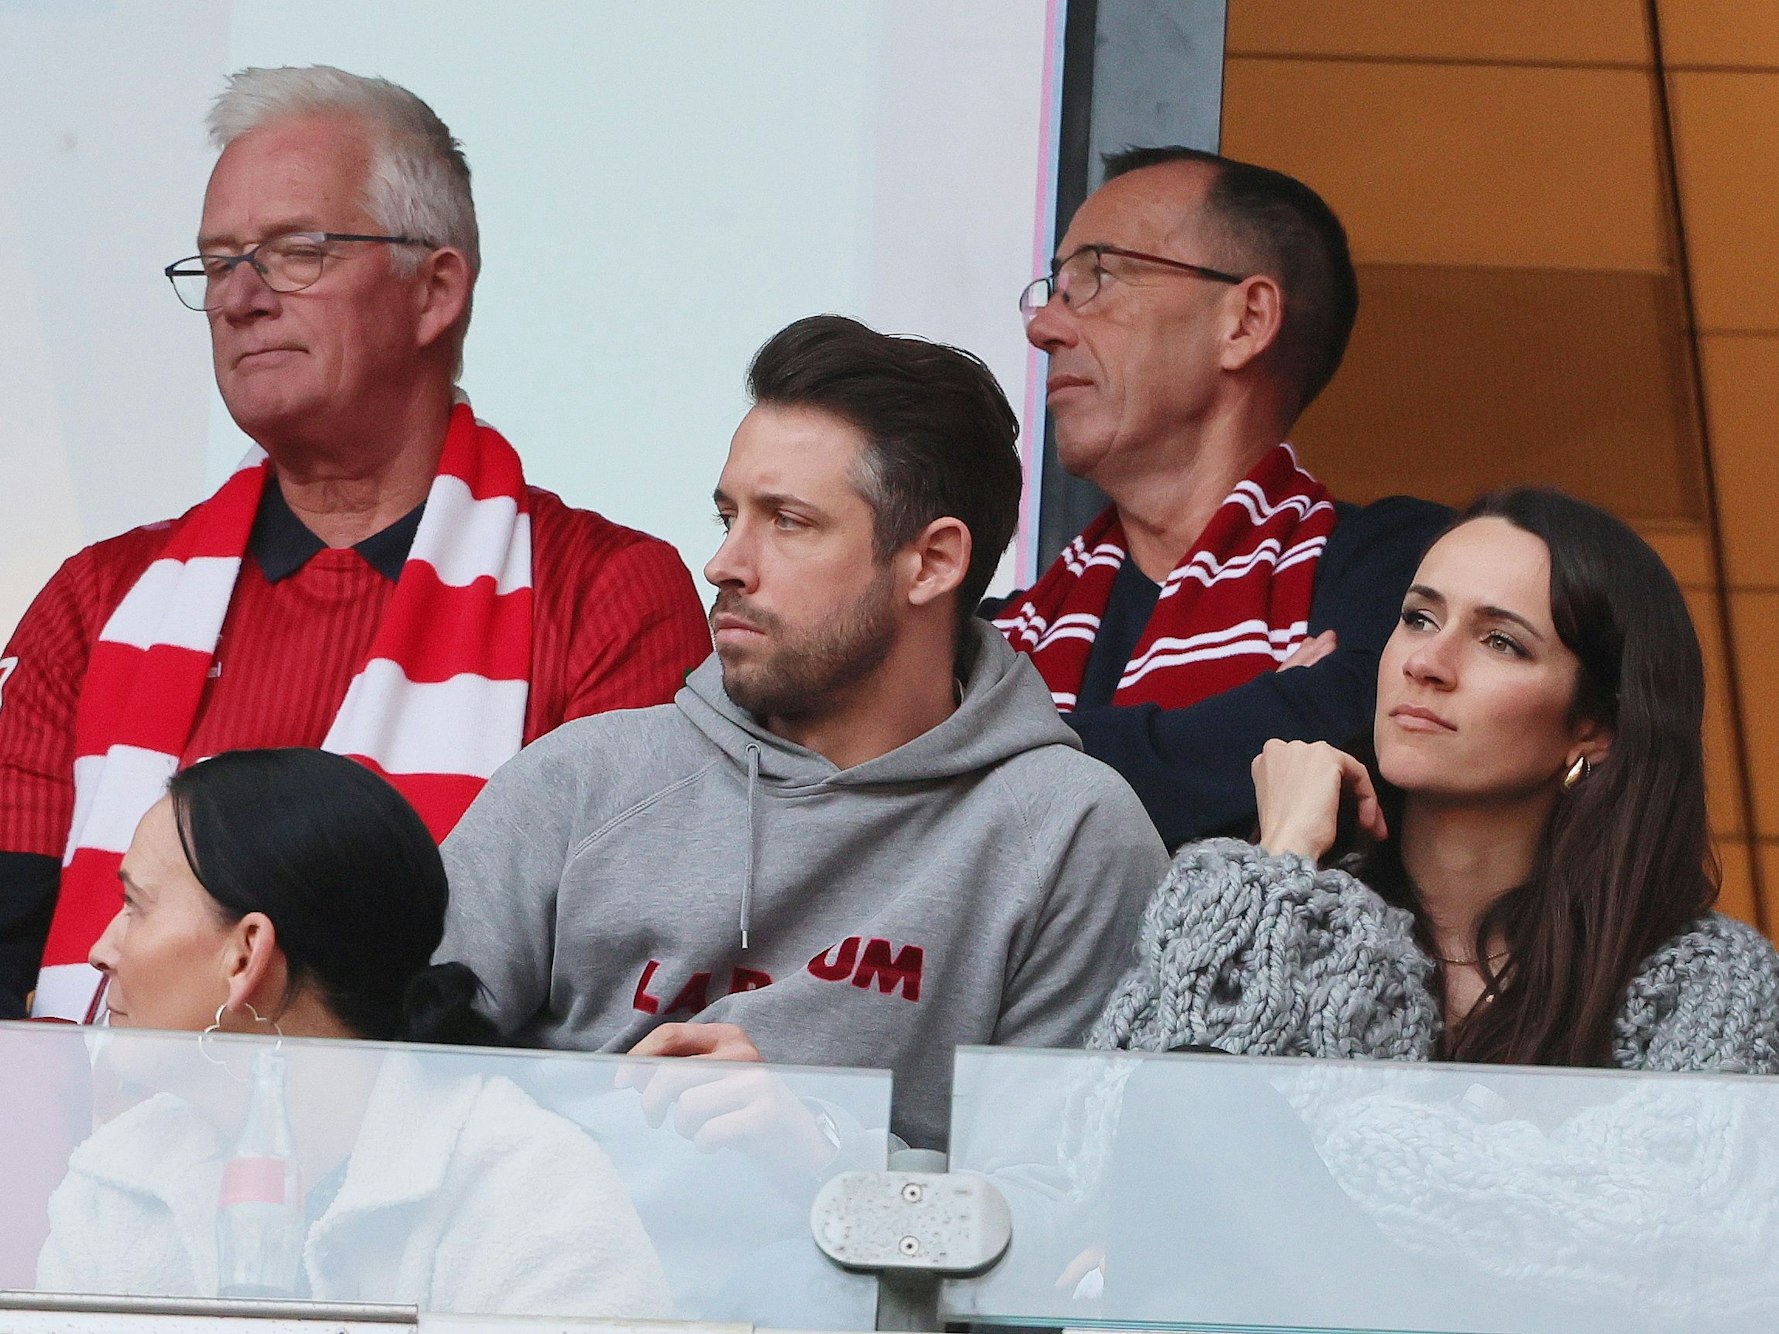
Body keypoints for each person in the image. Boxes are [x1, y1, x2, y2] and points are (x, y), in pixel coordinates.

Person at [0, 66, 709, 1021]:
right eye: (217, 262)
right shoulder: (98, 598)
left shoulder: (603, 594)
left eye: (297, 251)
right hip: (94, 1151)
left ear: (436, 290)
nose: (238, 298)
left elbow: (621, 1001)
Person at [439, 315, 1169, 1151]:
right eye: (728, 517)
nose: (724, 564)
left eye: (786, 521)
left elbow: (1054, 1225)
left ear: (930, 562)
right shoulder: (575, 782)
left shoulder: (1070, 834)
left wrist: (819, 1158)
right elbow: (391, 1088)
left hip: (872, 1282)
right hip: (548, 1270)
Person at [1094, 488, 1779, 1071]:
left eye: (1499, 641)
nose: (1427, 661)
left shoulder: (1700, 981)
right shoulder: (1236, 892)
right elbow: (1129, 1150)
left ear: (1594, 726)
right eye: (1418, 617)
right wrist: (1278, 866)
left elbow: (1665, 1219)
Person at [36, 747, 671, 1317]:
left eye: (136, 907)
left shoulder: (529, 1186)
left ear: (246, 952)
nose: (100, 950)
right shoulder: (119, 1175)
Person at [994, 146, 1448, 849]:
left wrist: (975, 751)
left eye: (1096, 277)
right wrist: (1261, 720)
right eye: (1052, 288)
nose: (1043, 326)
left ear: (1244, 321)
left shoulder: (1400, 567)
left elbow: (1350, 719)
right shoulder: (993, 634)